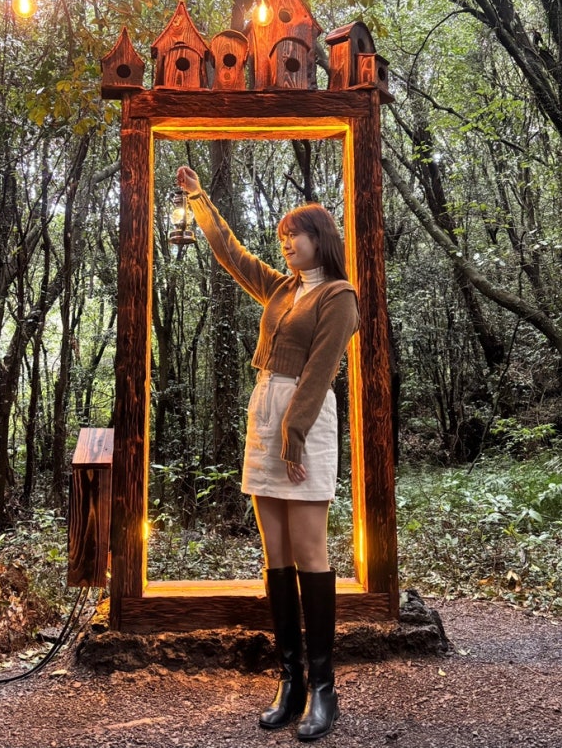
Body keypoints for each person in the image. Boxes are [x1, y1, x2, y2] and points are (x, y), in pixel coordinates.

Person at [176, 166, 360, 742]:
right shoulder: (281, 288)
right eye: (282, 237)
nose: (286, 244)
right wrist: (198, 199)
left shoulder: (339, 295)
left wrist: (295, 432)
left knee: (309, 551)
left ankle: (324, 688)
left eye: (294, 235)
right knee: (275, 554)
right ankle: (291, 681)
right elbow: (231, 254)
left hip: (304, 419)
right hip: (265, 411)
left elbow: (321, 370)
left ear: (319, 238)